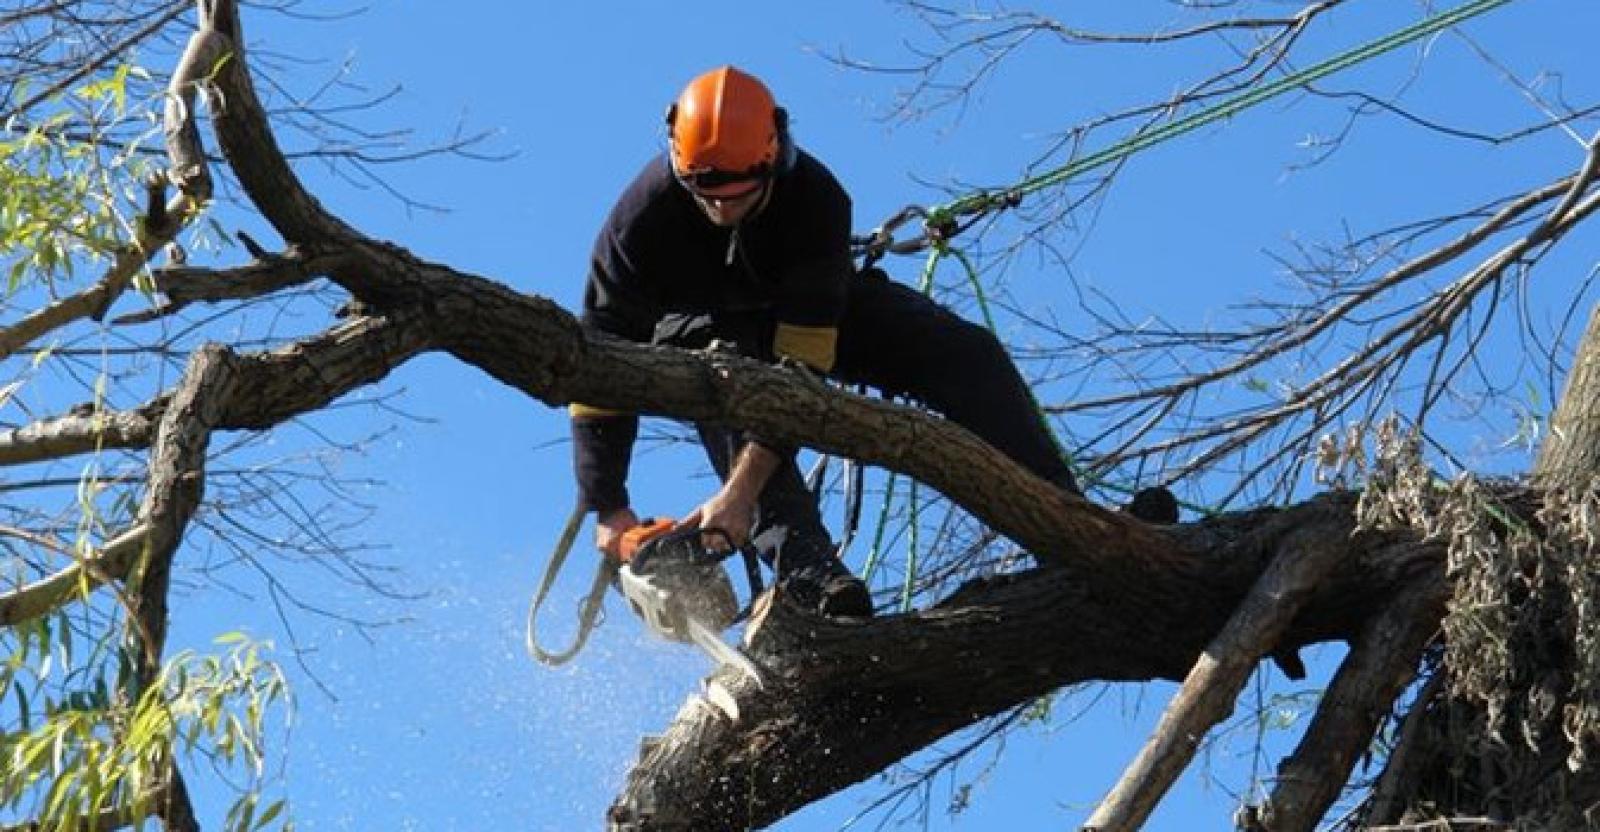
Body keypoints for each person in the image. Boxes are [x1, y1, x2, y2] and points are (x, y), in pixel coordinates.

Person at [570, 66, 1081, 618]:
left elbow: (800, 377)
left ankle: (1073, 521)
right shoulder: (637, 226)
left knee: (963, 353)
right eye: (707, 193)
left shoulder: (816, 200)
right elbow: (598, 361)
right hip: (700, 334)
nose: (721, 207)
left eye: (739, 194)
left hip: (802, 314)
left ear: (772, 157)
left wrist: (739, 496)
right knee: (722, 380)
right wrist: (608, 505)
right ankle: (816, 579)